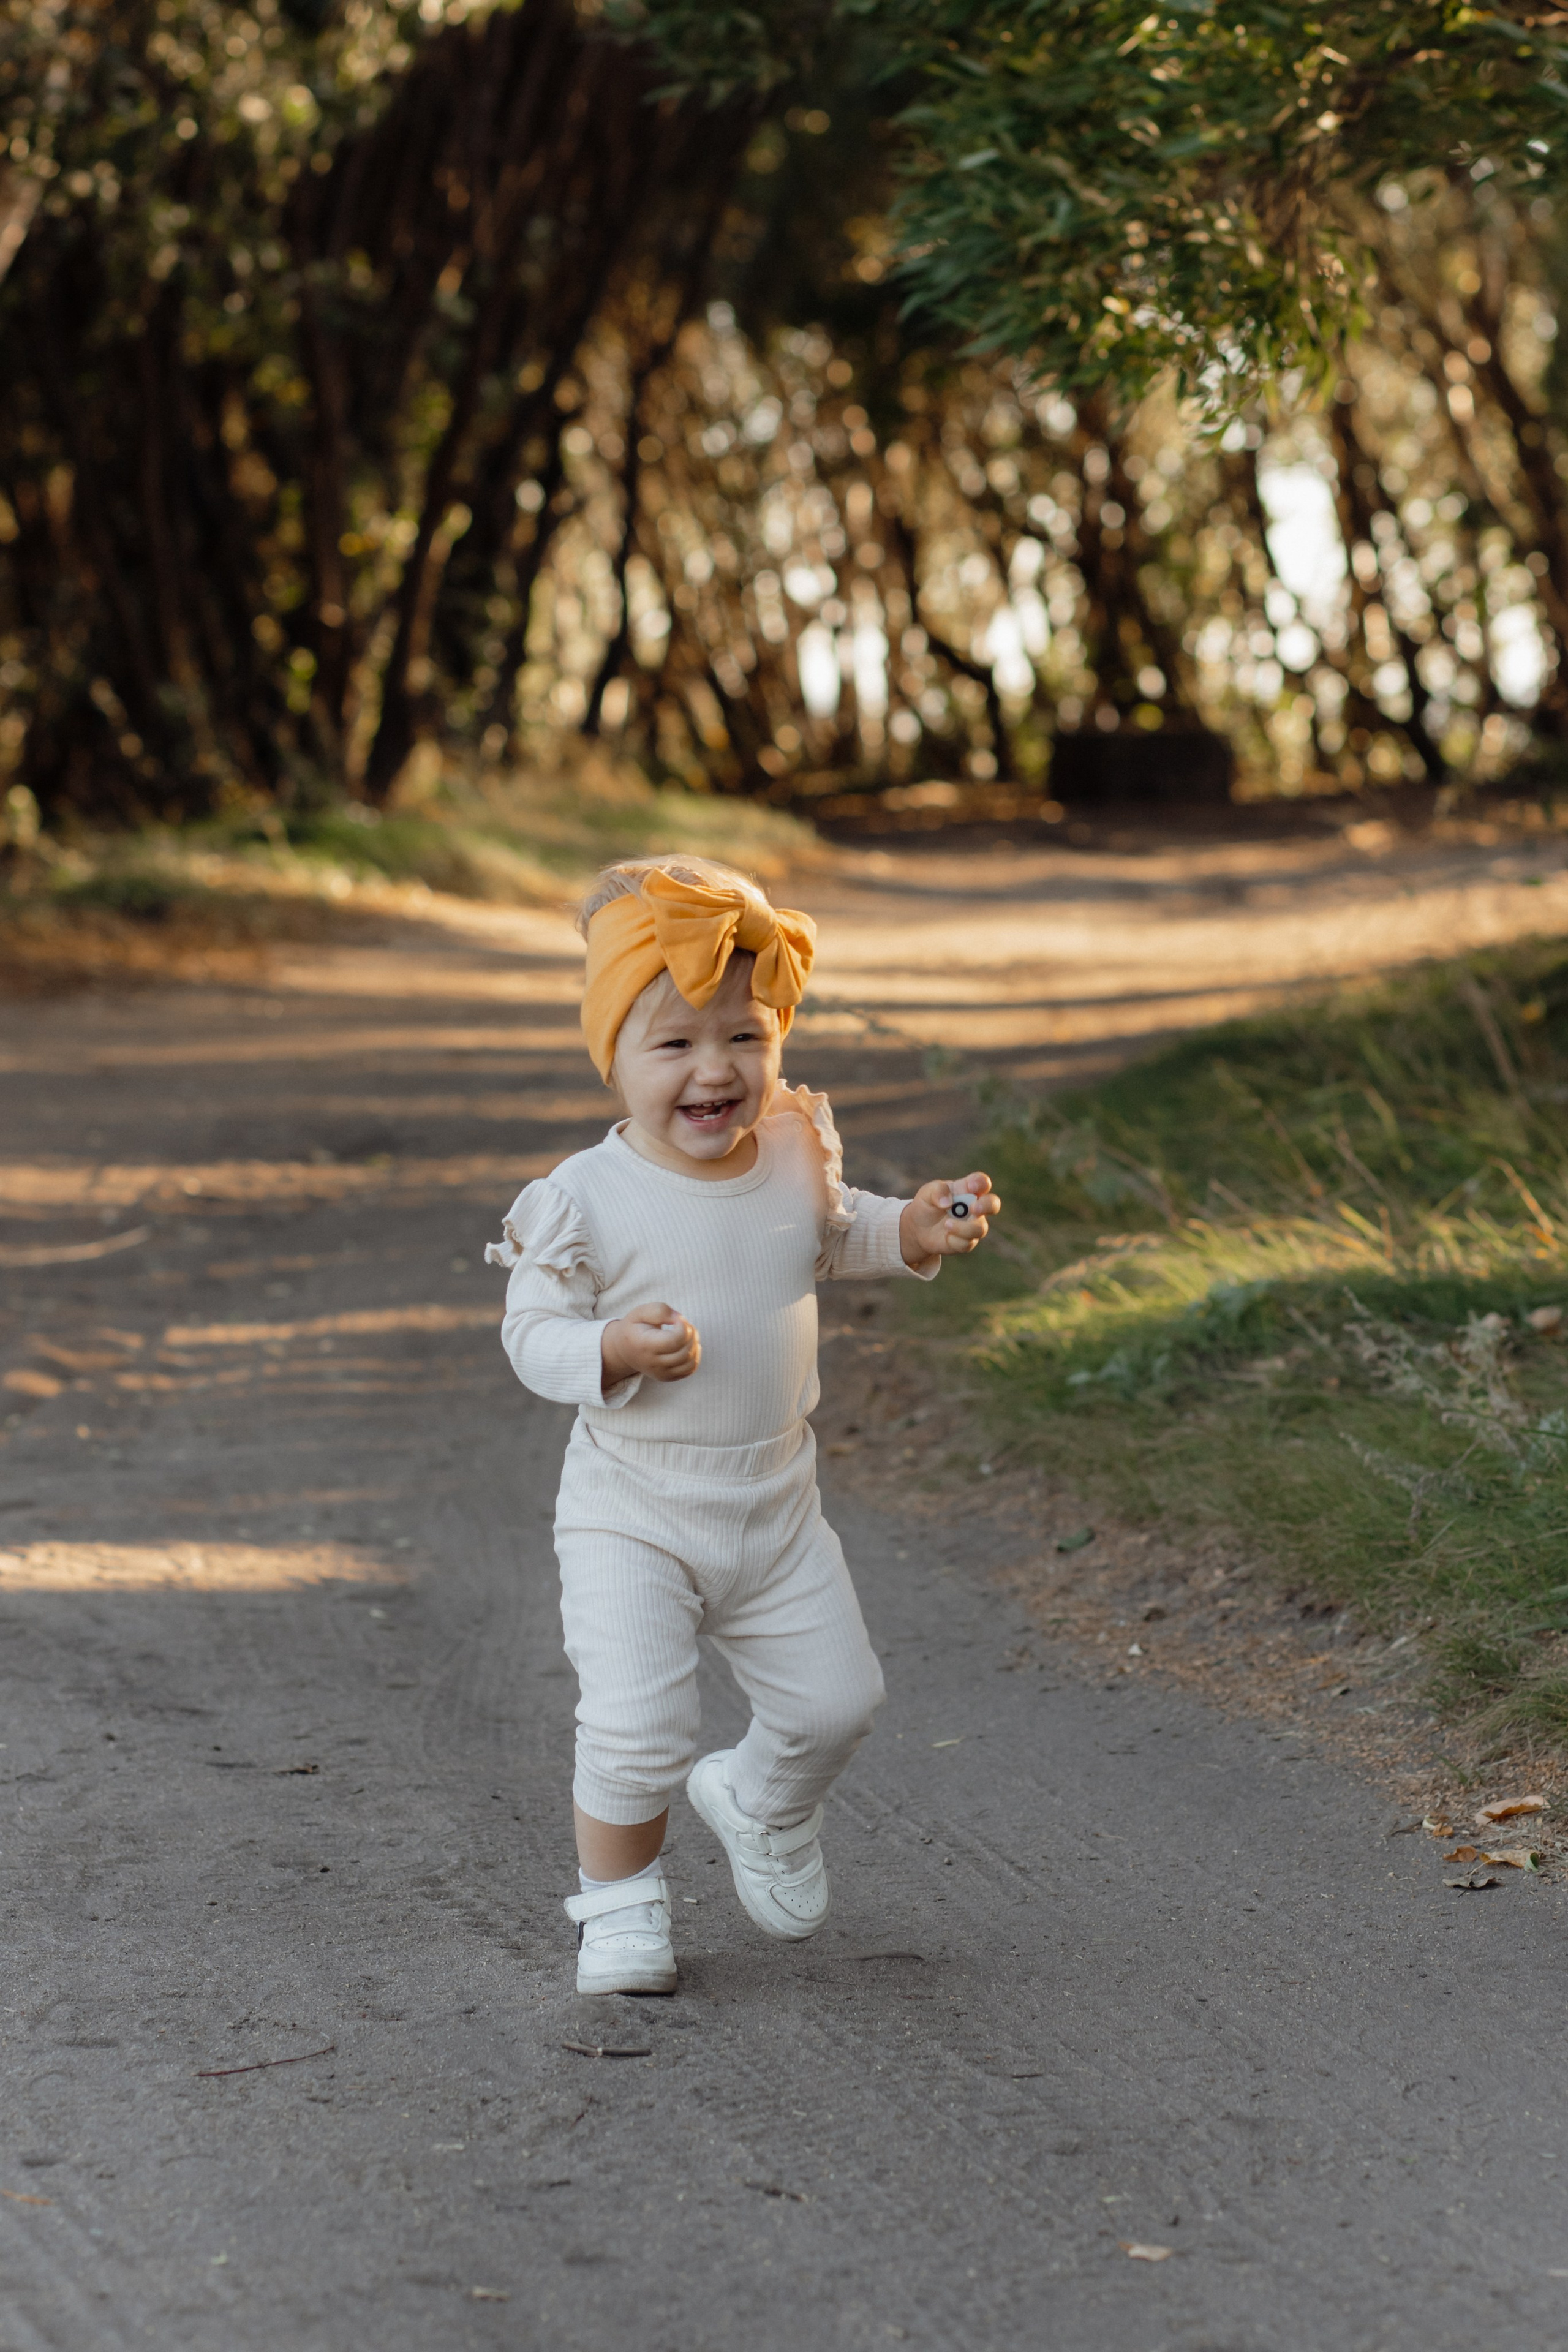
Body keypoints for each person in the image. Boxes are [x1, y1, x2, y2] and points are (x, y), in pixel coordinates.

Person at [488, 855, 1000, 1994]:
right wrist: (611, 1349)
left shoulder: (785, 1151)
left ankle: (761, 1801)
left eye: (746, 1038)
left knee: (838, 1701)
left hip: (776, 1506)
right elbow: (532, 1336)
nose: (716, 1072)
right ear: (613, 1052)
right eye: (674, 1045)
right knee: (637, 1728)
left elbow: (835, 1231)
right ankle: (619, 1912)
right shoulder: (584, 1195)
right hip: (635, 1509)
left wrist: (915, 1226)